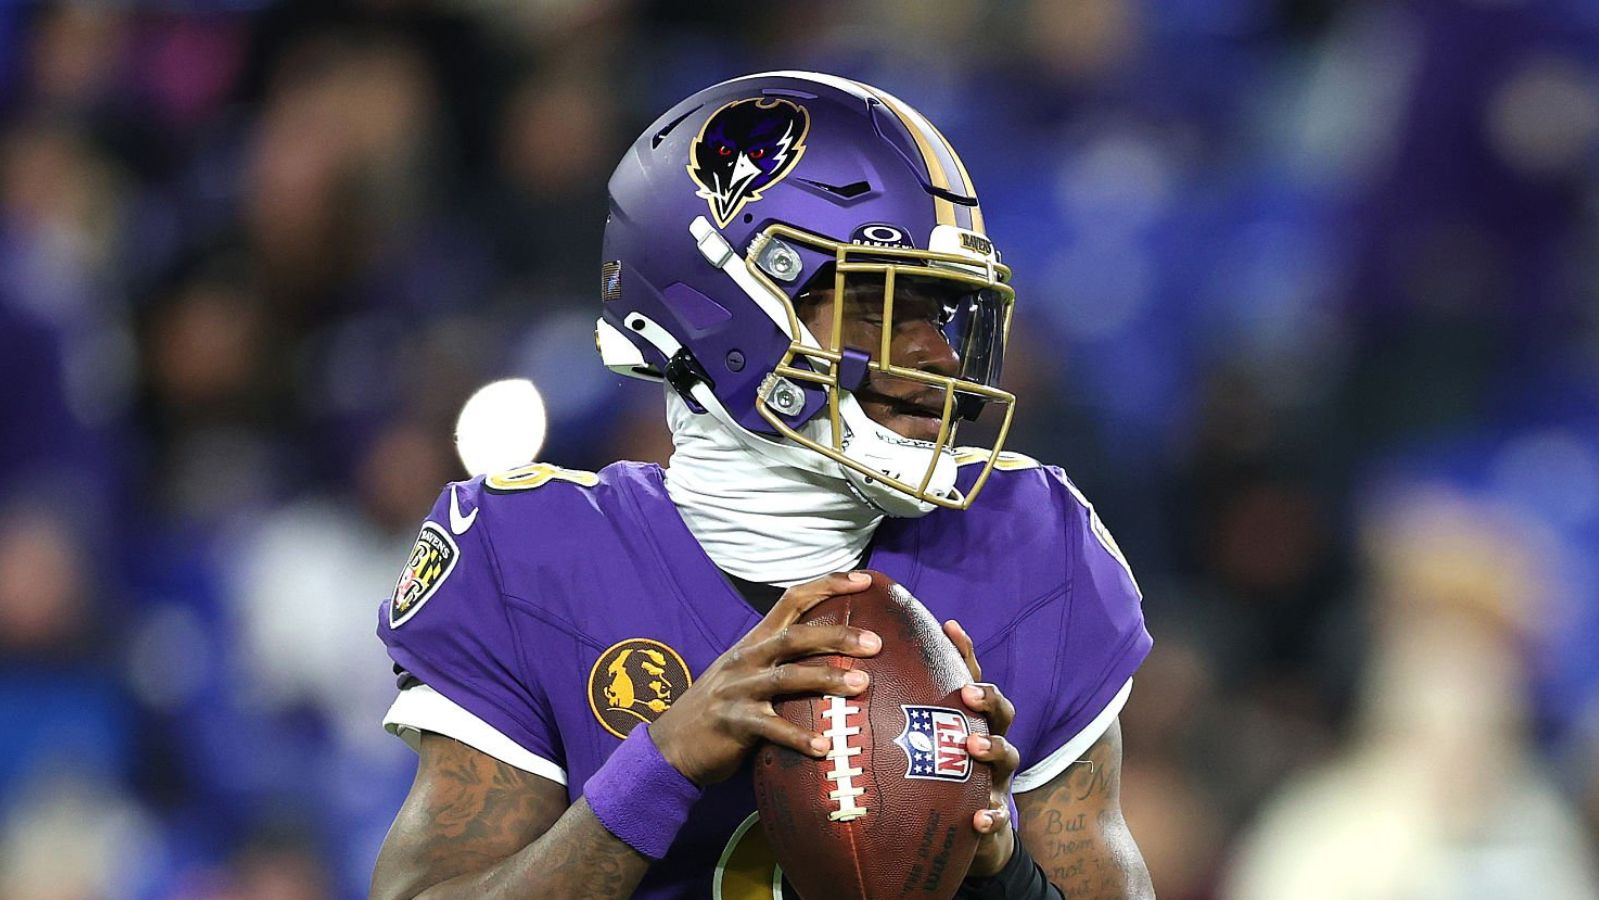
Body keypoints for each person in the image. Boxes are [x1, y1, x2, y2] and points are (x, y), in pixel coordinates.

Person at [369, 71, 1154, 899]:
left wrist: (998, 869)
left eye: (942, 311)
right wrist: (659, 771)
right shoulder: (530, 555)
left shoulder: (1028, 540)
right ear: (724, 305)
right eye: (878, 305)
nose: (939, 356)